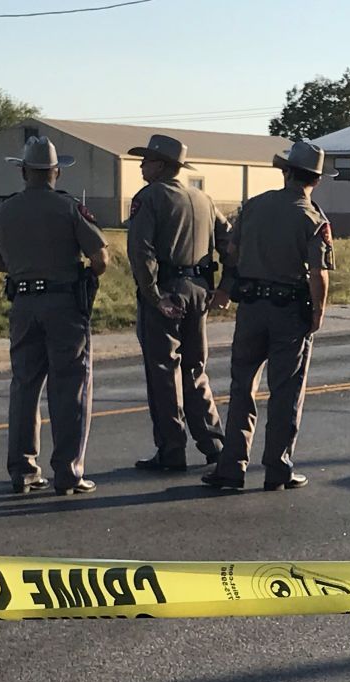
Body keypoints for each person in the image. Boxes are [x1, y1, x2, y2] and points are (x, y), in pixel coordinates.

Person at [201, 141, 336, 492]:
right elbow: (319, 274)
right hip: (289, 312)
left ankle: (231, 468)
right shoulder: (314, 219)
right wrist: (318, 313)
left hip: (251, 309)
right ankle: (278, 468)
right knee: (285, 391)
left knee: (242, 387)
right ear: (316, 181)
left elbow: (232, 253)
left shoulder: (254, 207)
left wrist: (228, 290)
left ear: (285, 172)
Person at [0, 136, 109, 495]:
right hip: (64, 304)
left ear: (23, 172)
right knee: (70, 389)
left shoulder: (4, 210)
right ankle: (68, 473)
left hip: (23, 304)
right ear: (56, 172)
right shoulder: (68, 208)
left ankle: (23, 471)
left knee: (24, 387)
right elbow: (100, 258)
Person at [127, 134, 230, 472]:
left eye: (146, 160)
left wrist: (152, 295)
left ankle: (171, 449)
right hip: (199, 288)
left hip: (167, 291)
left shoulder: (149, 198)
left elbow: (141, 252)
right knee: (195, 368)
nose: (142, 166)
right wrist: (226, 287)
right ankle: (214, 443)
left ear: (161, 165)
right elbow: (230, 244)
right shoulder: (203, 199)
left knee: (163, 372)